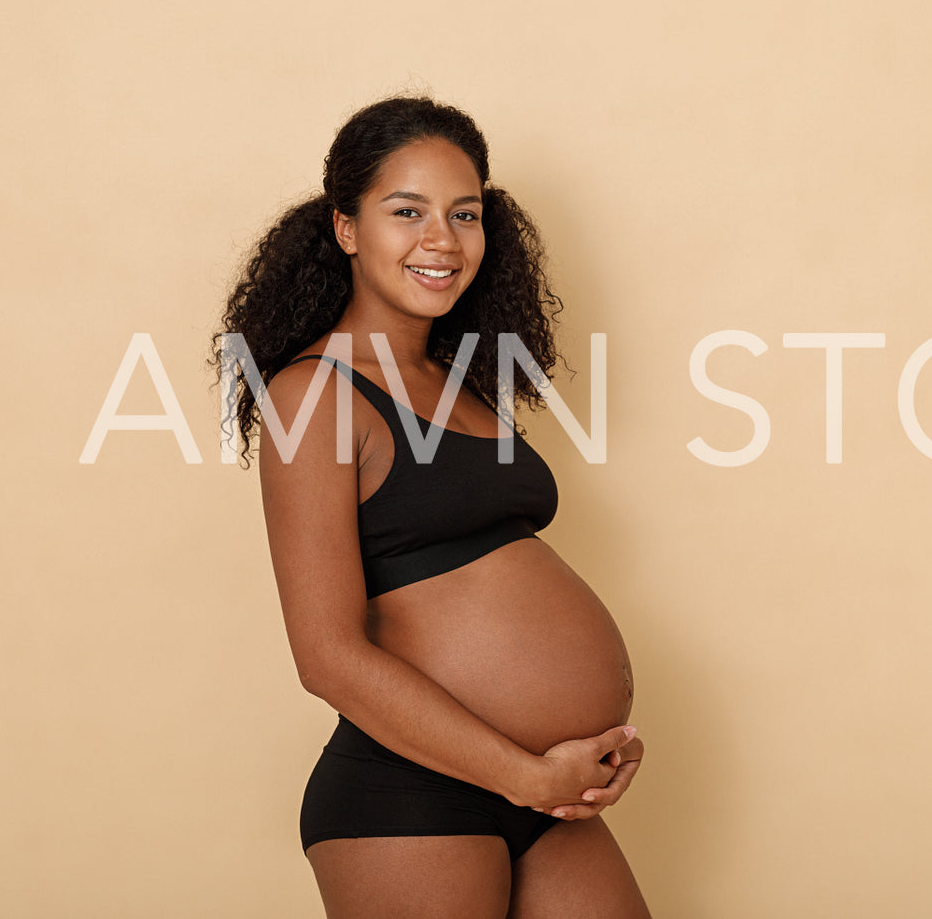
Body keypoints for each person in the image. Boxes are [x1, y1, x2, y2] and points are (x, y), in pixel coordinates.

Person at [212, 96, 649, 918]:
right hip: (410, 797)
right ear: (346, 227)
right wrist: (525, 773)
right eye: (405, 211)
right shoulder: (313, 394)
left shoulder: (465, 381)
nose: (441, 239)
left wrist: (569, 756)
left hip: (538, 785)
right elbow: (327, 655)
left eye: (464, 213)